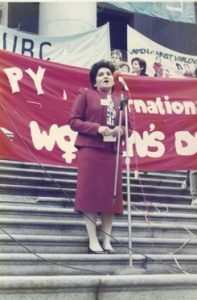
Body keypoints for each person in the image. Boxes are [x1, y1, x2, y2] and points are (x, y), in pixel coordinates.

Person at [69, 60, 130, 254]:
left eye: (108, 74)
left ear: (113, 80)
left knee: (110, 197)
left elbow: (131, 127)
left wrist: (121, 129)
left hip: (112, 152)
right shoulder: (86, 94)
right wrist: (98, 128)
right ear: (94, 81)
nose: (106, 76)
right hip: (91, 151)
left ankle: (107, 240)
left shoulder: (121, 100)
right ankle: (93, 239)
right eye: (101, 74)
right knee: (90, 194)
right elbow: (74, 121)